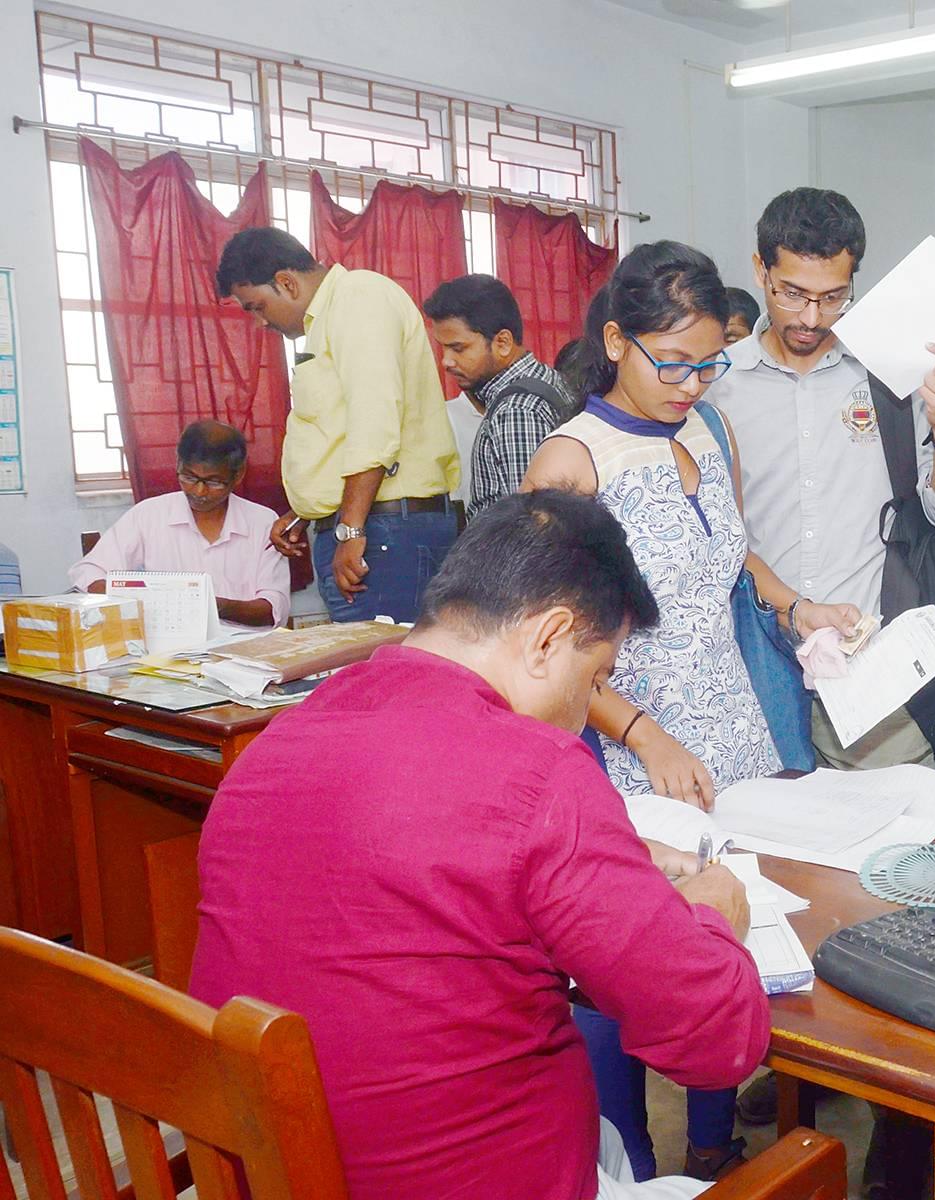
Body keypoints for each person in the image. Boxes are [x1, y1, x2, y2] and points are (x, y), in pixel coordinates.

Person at [187, 489, 768, 1200]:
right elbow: (716, 1040)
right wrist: (714, 915)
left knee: (611, 1145)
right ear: (549, 638)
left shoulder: (274, 748)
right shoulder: (539, 775)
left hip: (283, 1171)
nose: (586, 707)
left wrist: (614, 856)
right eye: (596, 678)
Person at [522, 242, 859, 1179]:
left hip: (731, 728)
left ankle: (714, 1145)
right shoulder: (571, 463)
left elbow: (735, 556)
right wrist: (639, 730)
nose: (691, 382)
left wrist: (796, 606)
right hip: (627, 739)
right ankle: (628, 1160)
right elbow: (540, 647)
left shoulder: (708, 428)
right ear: (616, 339)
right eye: (672, 361)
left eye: (709, 361)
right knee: (618, 962)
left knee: (731, 935)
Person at [706, 188, 935, 770]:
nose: (811, 318)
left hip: (869, 663)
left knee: (898, 839)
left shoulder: (888, 374)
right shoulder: (716, 386)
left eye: (833, 297)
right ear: (760, 270)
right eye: (793, 294)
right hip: (756, 657)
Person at [215, 227, 459, 623]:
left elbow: (374, 423)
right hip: (375, 527)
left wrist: (349, 530)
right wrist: (307, 512)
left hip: (384, 533)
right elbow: (340, 434)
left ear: (286, 282)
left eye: (256, 306)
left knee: (383, 675)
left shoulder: (358, 299)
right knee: (370, 673)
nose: (260, 323)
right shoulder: (329, 320)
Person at [69, 421, 289, 626]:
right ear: (178, 465)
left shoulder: (263, 522)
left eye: (213, 482)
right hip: (167, 651)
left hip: (246, 650)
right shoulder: (149, 515)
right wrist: (139, 598)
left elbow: (273, 610)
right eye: (189, 478)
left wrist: (212, 606)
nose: (199, 491)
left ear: (238, 474)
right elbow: (89, 572)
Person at [424, 274, 577, 522]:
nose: (446, 361)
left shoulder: (517, 409)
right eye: (442, 348)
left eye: (458, 348)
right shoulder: (548, 380)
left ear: (503, 342)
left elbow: (531, 527)